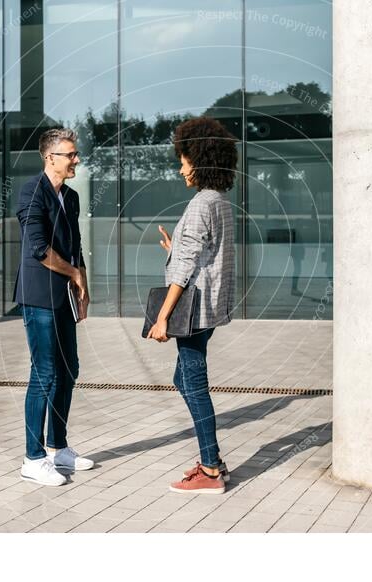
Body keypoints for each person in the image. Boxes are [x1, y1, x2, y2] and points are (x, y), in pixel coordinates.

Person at [147, 117, 237, 494]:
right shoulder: (219, 202)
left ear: (200, 159)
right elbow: (204, 254)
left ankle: (212, 469)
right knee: (182, 379)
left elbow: (186, 269)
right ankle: (211, 458)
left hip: (194, 309)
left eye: (184, 159)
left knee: (194, 383)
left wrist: (162, 317)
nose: (180, 167)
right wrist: (174, 248)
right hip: (210, 306)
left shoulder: (202, 204)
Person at [13, 127, 94, 486]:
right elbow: (39, 249)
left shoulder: (71, 197)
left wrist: (83, 286)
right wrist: (74, 273)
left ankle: (58, 448)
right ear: (50, 158)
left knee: (69, 369)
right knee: (44, 373)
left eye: (76, 154)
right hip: (38, 296)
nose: (76, 159)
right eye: (70, 154)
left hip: (63, 296)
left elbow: (75, 245)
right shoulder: (32, 191)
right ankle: (33, 458)